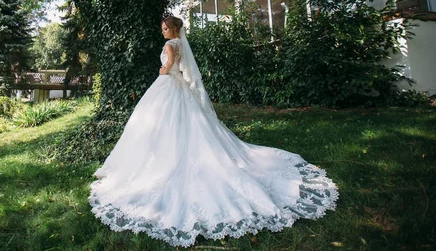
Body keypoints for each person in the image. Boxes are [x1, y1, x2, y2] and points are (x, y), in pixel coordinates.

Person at [89, 16, 338, 247]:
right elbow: (185, 71)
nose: (162, 32)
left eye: (165, 28)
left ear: (173, 29)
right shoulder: (181, 44)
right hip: (179, 88)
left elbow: (170, 67)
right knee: (184, 125)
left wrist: (162, 71)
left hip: (167, 86)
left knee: (159, 126)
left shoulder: (170, 46)